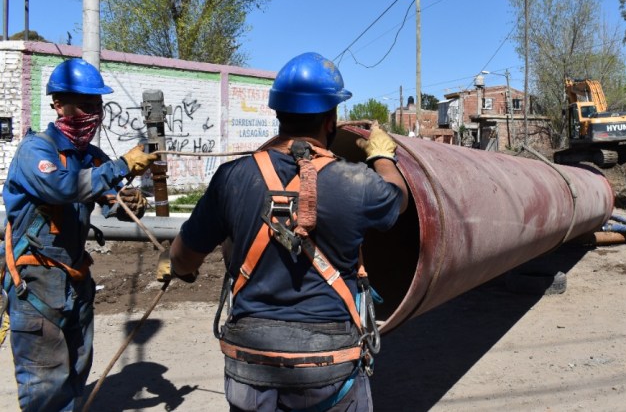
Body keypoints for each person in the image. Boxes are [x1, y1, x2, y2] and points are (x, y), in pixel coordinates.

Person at [159, 52, 408, 411]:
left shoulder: (232, 178)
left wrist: (176, 265)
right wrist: (382, 155)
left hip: (251, 368)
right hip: (329, 368)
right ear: (331, 119)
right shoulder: (356, 183)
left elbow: (184, 258)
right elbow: (399, 200)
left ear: (278, 113)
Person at [1, 58, 158, 411]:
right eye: (85, 105)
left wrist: (128, 200)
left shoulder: (91, 157)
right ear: (58, 104)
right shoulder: (36, 150)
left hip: (75, 283)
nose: (93, 114)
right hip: (36, 283)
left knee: (75, 373)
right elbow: (61, 187)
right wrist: (121, 166)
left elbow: (109, 199)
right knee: (45, 385)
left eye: (97, 105)